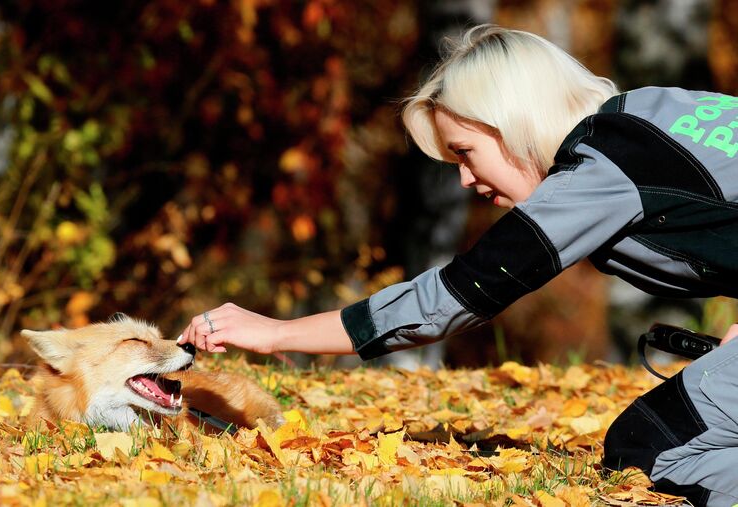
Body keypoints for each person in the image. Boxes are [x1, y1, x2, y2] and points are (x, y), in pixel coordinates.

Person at [177, 25, 738, 505]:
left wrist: (277, 333)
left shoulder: (603, 167)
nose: (466, 181)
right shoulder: (653, 110)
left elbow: (456, 296)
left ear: (512, 118)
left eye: (465, 151)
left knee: (653, 446)